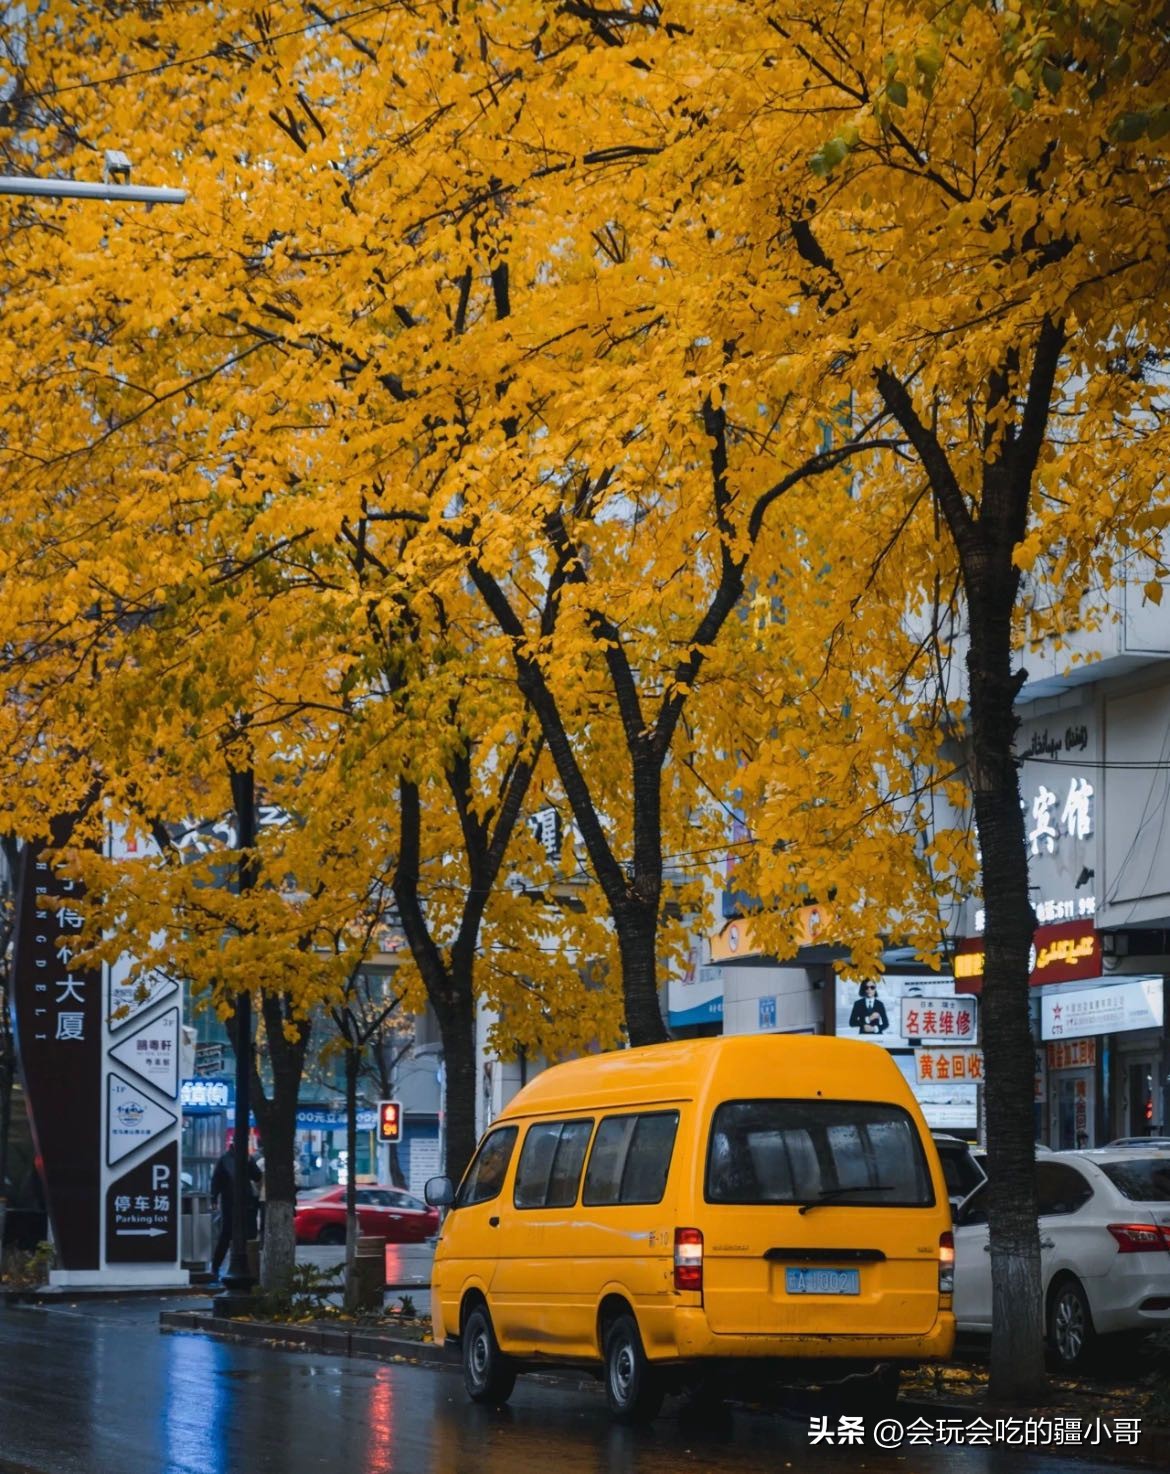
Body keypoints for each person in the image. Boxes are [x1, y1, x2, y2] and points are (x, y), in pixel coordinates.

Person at [209, 1144, 262, 1280]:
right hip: (230, 1203)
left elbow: (257, 1176)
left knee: (249, 1236)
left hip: (247, 1203)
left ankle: (249, 1267)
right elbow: (216, 1181)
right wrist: (214, 1198)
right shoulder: (225, 1160)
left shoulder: (247, 1159)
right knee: (226, 1235)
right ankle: (216, 1266)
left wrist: (250, 1162)